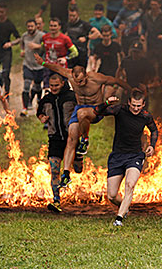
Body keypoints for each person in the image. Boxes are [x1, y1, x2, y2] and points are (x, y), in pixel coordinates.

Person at [34, 54, 131, 188]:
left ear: (86, 75)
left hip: (96, 110)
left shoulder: (97, 78)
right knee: (71, 136)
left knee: (82, 113)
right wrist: (43, 63)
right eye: (76, 82)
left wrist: (131, 91)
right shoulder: (70, 76)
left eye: (81, 81)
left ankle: (85, 140)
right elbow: (56, 68)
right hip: (81, 108)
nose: (78, 84)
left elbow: (116, 81)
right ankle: (66, 174)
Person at [95, 90, 158, 226]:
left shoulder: (146, 116)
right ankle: (125, 207)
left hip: (135, 155)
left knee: (130, 185)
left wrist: (152, 146)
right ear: (129, 102)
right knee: (111, 195)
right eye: (133, 105)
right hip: (117, 155)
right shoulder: (120, 110)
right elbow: (97, 112)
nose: (136, 108)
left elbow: (154, 130)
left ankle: (119, 219)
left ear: (143, 105)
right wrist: (107, 103)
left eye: (138, 106)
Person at [37, 74, 81, 213]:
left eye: (56, 85)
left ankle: (78, 159)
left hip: (72, 138)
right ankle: (56, 200)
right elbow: (39, 113)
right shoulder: (46, 99)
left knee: (78, 168)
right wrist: (42, 118)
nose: (54, 88)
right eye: (51, 85)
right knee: (54, 170)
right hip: (54, 139)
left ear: (62, 83)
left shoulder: (72, 96)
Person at [20, 19, 45, 116]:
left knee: (38, 86)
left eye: (32, 26)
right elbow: (22, 43)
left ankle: (38, 102)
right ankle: (24, 109)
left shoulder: (41, 36)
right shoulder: (24, 36)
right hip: (27, 64)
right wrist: (22, 51)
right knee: (26, 85)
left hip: (39, 66)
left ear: (36, 26)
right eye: (28, 26)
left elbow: (46, 46)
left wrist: (37, 46)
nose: (30, 28)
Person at [90, 25, 122, 97]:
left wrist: (119, 74)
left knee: (107, 94)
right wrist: (94, 66)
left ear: (111, 35)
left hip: (113, 73)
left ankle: (106, 106)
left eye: (108, 35)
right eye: (104, 36)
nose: (106, 38)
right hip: (102, 72)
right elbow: (95, 58)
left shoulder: (116, 46)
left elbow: (120, 58)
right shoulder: (98, 47)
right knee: (99, 93)